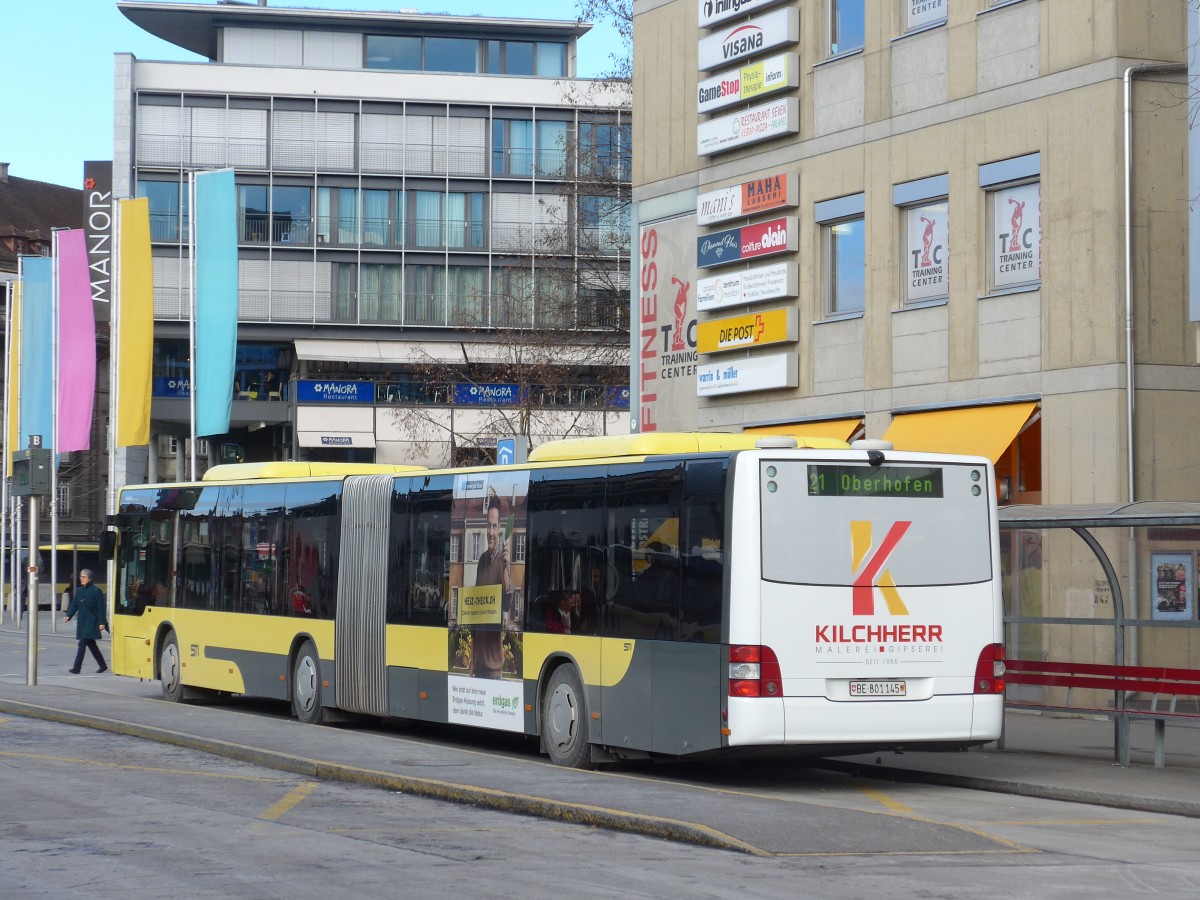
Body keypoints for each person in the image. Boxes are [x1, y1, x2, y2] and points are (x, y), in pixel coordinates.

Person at [471, 494, 510, 679]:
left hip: (494, 669)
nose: (491, 532)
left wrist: (504, 571)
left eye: (494, 526)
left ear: (499, 528)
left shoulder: (503, 562)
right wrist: (471, 656)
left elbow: (507, 604)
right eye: (488, 525)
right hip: (478, 666)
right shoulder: (481, 561)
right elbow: (475, 612)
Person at [63, 569, 108, 674]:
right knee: (92, 644)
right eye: (81, 577)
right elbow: (74, 604)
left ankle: (76, 668)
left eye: (84, 577)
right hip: (82, 622)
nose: (81, 579)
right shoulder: (79, 591)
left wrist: (102, 623)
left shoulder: (96, 591)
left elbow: (102, 608)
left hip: (92, 622)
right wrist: (68, 615)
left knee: (82, 644)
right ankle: (103, 665)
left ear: (90, 578)